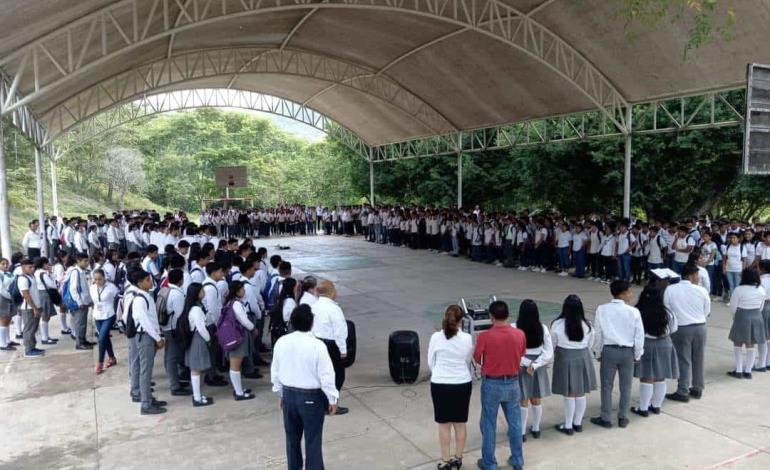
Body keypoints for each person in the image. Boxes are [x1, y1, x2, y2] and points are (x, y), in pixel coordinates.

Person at [271, 304, 338, 470]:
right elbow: (327, 375)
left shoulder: (281, 342)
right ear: (312, 323)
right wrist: (332, 398)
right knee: (313, 441)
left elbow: (276, 371)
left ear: (292, 322)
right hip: (310, 398)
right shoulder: (317, 345)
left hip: (288, 395)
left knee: (292, 440)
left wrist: (280, 393)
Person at [473, 300, 526, 470]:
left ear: (491, 317)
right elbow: (522, 353)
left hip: (492, 383)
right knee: (515, 423)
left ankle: (489, 462)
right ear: (508, 315)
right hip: (512, 382)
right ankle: (517, 459)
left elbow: (477, 357)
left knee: (489, 423)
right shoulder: (519, 334)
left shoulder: (485, 336)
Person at [590, 280, 645, 429]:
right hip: (627, 351)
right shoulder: (634, 312)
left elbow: (598, 334)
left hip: (609, 350)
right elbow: (639, 335)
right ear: (623, 293)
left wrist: (598, 351)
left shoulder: (602, 309)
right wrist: (638, 354)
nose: (631, 294)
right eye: (629, 291)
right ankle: (623, 417)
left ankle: (606, 417)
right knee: (625, 386)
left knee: (606, 386)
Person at [427, 305, 473, 470]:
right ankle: (458, 457)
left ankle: (445, 460)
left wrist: (439, 373)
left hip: (440, 384)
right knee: (460, 423)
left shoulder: (435, 337)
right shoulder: (467, 338)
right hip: (461, 383)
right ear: (461, 321)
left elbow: (430, 361)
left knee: (443, 424)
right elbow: (468, 360)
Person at [664, 264, 711, 402]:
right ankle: (697, 387)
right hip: (700, 326)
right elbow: (707, 310)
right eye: (697, 275)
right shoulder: (701, 291)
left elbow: (666, 309)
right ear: (690, 275)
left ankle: (683, 390)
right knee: (699, 357)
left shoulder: (671, 289)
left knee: (683, 359)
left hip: (682, 327)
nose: (698, 278)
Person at [551, 295, 596, 436]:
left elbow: (553, 342)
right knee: (580, 391)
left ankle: (568, 425)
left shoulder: (557, 324)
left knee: (569, 393)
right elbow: (590, 343)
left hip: (564, 357)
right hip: (582, 357)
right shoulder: (587, 324)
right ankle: (578, 423)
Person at [630, 285, 679, 417]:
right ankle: (656, 405)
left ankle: (643, 407)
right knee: (660, 376)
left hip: (646, 344)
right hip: (665, 343)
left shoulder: (637, 311)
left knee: (646, 377)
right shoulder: (667, 312)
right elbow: (674, 328)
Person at [126, 269, 167, 415]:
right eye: (147, 280)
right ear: (140, 283)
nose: (151, 282)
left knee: (147, 370)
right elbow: (144, 321)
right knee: (145, 370)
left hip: (150, 335)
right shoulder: (139, 299)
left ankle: (148, 398)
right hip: (145, 337)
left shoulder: (146, 296)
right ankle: (146, 404)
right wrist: (157, 338)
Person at [514, 299, 553, 441]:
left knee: (522, 399)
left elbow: (513, 351)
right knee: (536, 398)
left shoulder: (515, 327)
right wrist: (535, 364)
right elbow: (549, 351)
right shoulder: (542, 328)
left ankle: (522, 432)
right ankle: (536, 428)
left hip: (521, 365)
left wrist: (526, 363)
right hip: (538, 365)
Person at [311, 280, 349, 416]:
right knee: (337, 376)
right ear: (331, 292)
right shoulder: (334, 309)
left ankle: (320, 402)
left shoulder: (314, 306)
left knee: (320, 374)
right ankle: (331, 404)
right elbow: (340, 332)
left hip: (316, 342)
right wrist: (343, 350)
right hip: (330, 345)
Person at [726, 268, 766, 379]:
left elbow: (733, 306)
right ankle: (748, 371)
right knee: (751, 344)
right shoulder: (761, 290)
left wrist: (735, 316)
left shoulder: (739, 289)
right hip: (756, 316)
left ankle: (739, 370)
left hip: (742, 316)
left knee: (738, 343)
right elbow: (761, 307)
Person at [223, 281, 257, 401]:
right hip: (237, 336)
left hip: (234, 336)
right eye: (242, 289)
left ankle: (239, 389)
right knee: (235, 366)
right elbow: (244, 321)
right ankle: (238, 392)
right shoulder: (236, 304)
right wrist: (253, 328)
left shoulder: (230, 302)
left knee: (236, 365)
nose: (244, 291)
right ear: (237, 291)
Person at [183, 283, 215, 407]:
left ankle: (198, 395)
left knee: (198, 369)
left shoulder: (194, 306)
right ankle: (197, 397)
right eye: (202, 290)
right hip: (199, 339)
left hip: (196, 339)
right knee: (196, 369)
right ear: (197, 293)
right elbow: (201, 328)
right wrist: (208, 339)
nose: (204, 292)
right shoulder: (196, 309)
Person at [163, 269, 191, 395]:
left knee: (170, 356)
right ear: (181, 280)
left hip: (166, 327)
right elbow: (181, 315)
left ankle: (176, 380)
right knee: (172, 358)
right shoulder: (177, 294)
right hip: (173, 329)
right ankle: (174, 385)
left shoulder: (165, 290)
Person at [90, 268, 119, 374]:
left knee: (101, 338)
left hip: (109, 314)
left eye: (100, 279)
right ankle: (112, 357)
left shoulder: (111, 287)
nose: (98, 282)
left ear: (104, 278)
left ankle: (100, 363)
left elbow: (119, 299)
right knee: (105, 338)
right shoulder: (92, 288)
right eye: (96, 279)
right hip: (97, 315)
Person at [17, 259, 44, 357]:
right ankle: (28, 350)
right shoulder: (23, 279)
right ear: (23, 268)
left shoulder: (31, 277)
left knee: (33, 328)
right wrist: (34, 308)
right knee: (29, 329)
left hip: (35, 306)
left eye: (33, 267)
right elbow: (26, 295)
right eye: (30, 267)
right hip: (28, 308)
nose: (32, 269)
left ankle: (32, 346)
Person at [69, 253, 94, 350]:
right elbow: (73, 289)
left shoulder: (82, 272)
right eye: (85, 261)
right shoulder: (75, 272)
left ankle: (83, 340)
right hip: (80, 303)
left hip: (85, 301)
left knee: (83, 322)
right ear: (78, 261)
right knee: (80, 323)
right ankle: (79, 343)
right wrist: (79, 302)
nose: (87, 263)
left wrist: (89, 300)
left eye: (87, 261)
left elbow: (85, 288)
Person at [34, 257, 59, 345]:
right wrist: (52, 274)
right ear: (43, 264)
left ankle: (46, 336)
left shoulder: (36, 272)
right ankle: (45, 338)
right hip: (45, 294)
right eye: (47, 263)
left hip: (40, 294)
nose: (48, 265)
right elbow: (52, 284)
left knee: (45, 316)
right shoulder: (43, 274)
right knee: (45, 317)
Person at [0, 258, 19, 350]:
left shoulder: (9, 274)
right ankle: (2, 343)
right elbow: (1, 289)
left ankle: (7, 341)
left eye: (6, 264)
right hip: (3, 298)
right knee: (3, 320)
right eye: (3, 264)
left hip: (9, 297)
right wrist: (10, 297)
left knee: (8, 319)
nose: (5, 265)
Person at [757, 260, 770, 372]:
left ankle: (761, 363)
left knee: (764, 335)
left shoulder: (761, 280)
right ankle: (768, 361)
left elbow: (760, 296)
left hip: (764, 306)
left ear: (762, 269)